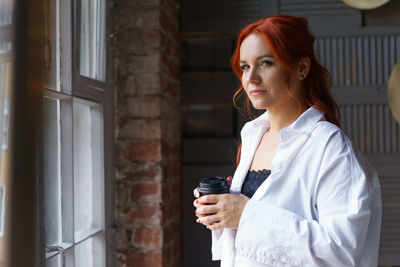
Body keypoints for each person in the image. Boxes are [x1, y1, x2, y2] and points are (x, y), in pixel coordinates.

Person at [193, 14, 382, 267]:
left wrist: (245, 215)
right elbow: (249, 238)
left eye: (266, 63)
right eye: (246, 66)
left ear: (301, 68)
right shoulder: (253, 135)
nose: (251, 78)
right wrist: (221, 210)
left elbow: (341, 251)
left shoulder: (330, 147)